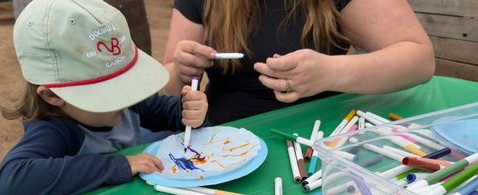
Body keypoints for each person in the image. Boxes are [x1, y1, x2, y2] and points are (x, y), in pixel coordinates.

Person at [0, 0, 208, 195]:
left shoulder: (126, 102)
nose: (123, 98)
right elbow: (10, 183)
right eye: (106, 91)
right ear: (52, 96)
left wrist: (187, 110)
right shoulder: (54, 129)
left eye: (122, 81)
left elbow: (161, 111)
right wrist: (118, 165)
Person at [162, 0, 435, 125]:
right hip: (222, 143)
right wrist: (182, 70)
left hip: (315, 144)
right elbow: (169, 85)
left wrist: (330, 72)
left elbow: (420, 60)